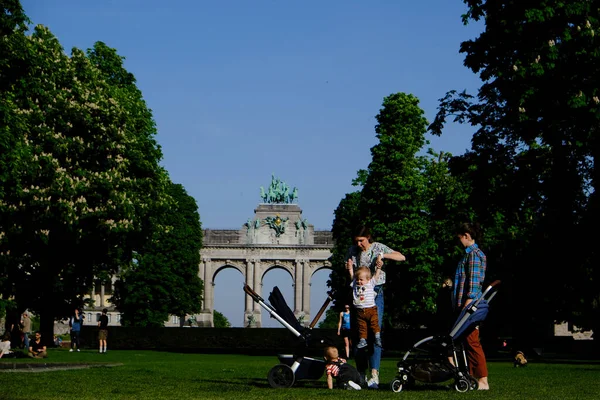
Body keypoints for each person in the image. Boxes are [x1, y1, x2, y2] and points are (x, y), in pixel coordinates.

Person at [345, 225, 406, 389]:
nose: (359, 244)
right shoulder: (352, 250)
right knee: (359, 337)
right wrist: (349, 268)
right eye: (356, 241)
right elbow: (352, 276)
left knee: (375, 332)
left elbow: (401, 257)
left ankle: (374, 374)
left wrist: (383, 256)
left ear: (368, 237)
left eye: (361, 241)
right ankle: (361, 374)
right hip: (359, 297)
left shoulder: (378, 247)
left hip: (376, 293)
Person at [454, 222, 489, 390]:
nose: (458, 241)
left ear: (466, 236)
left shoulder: (474, 255)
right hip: (464, 305)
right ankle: (468, 378)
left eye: (459, 237)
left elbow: (474, 284)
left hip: (471, 306)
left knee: (472, 341)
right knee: (465, 342)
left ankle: (483, 380)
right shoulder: (467, 255)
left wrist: (467, 305)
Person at [347, 266, 383, 349]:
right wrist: (350, 269)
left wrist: (378, 268)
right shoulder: (355, 284)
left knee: (374, 324)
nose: (359, 281)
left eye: (361, 279)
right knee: (361, 327)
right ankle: (363, 340)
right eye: (358, 279)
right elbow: (353, 277)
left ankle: (377, 337)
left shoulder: (370, 284)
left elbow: (376, 276)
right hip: (359, 311)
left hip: (371, 309)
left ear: (368, 279)